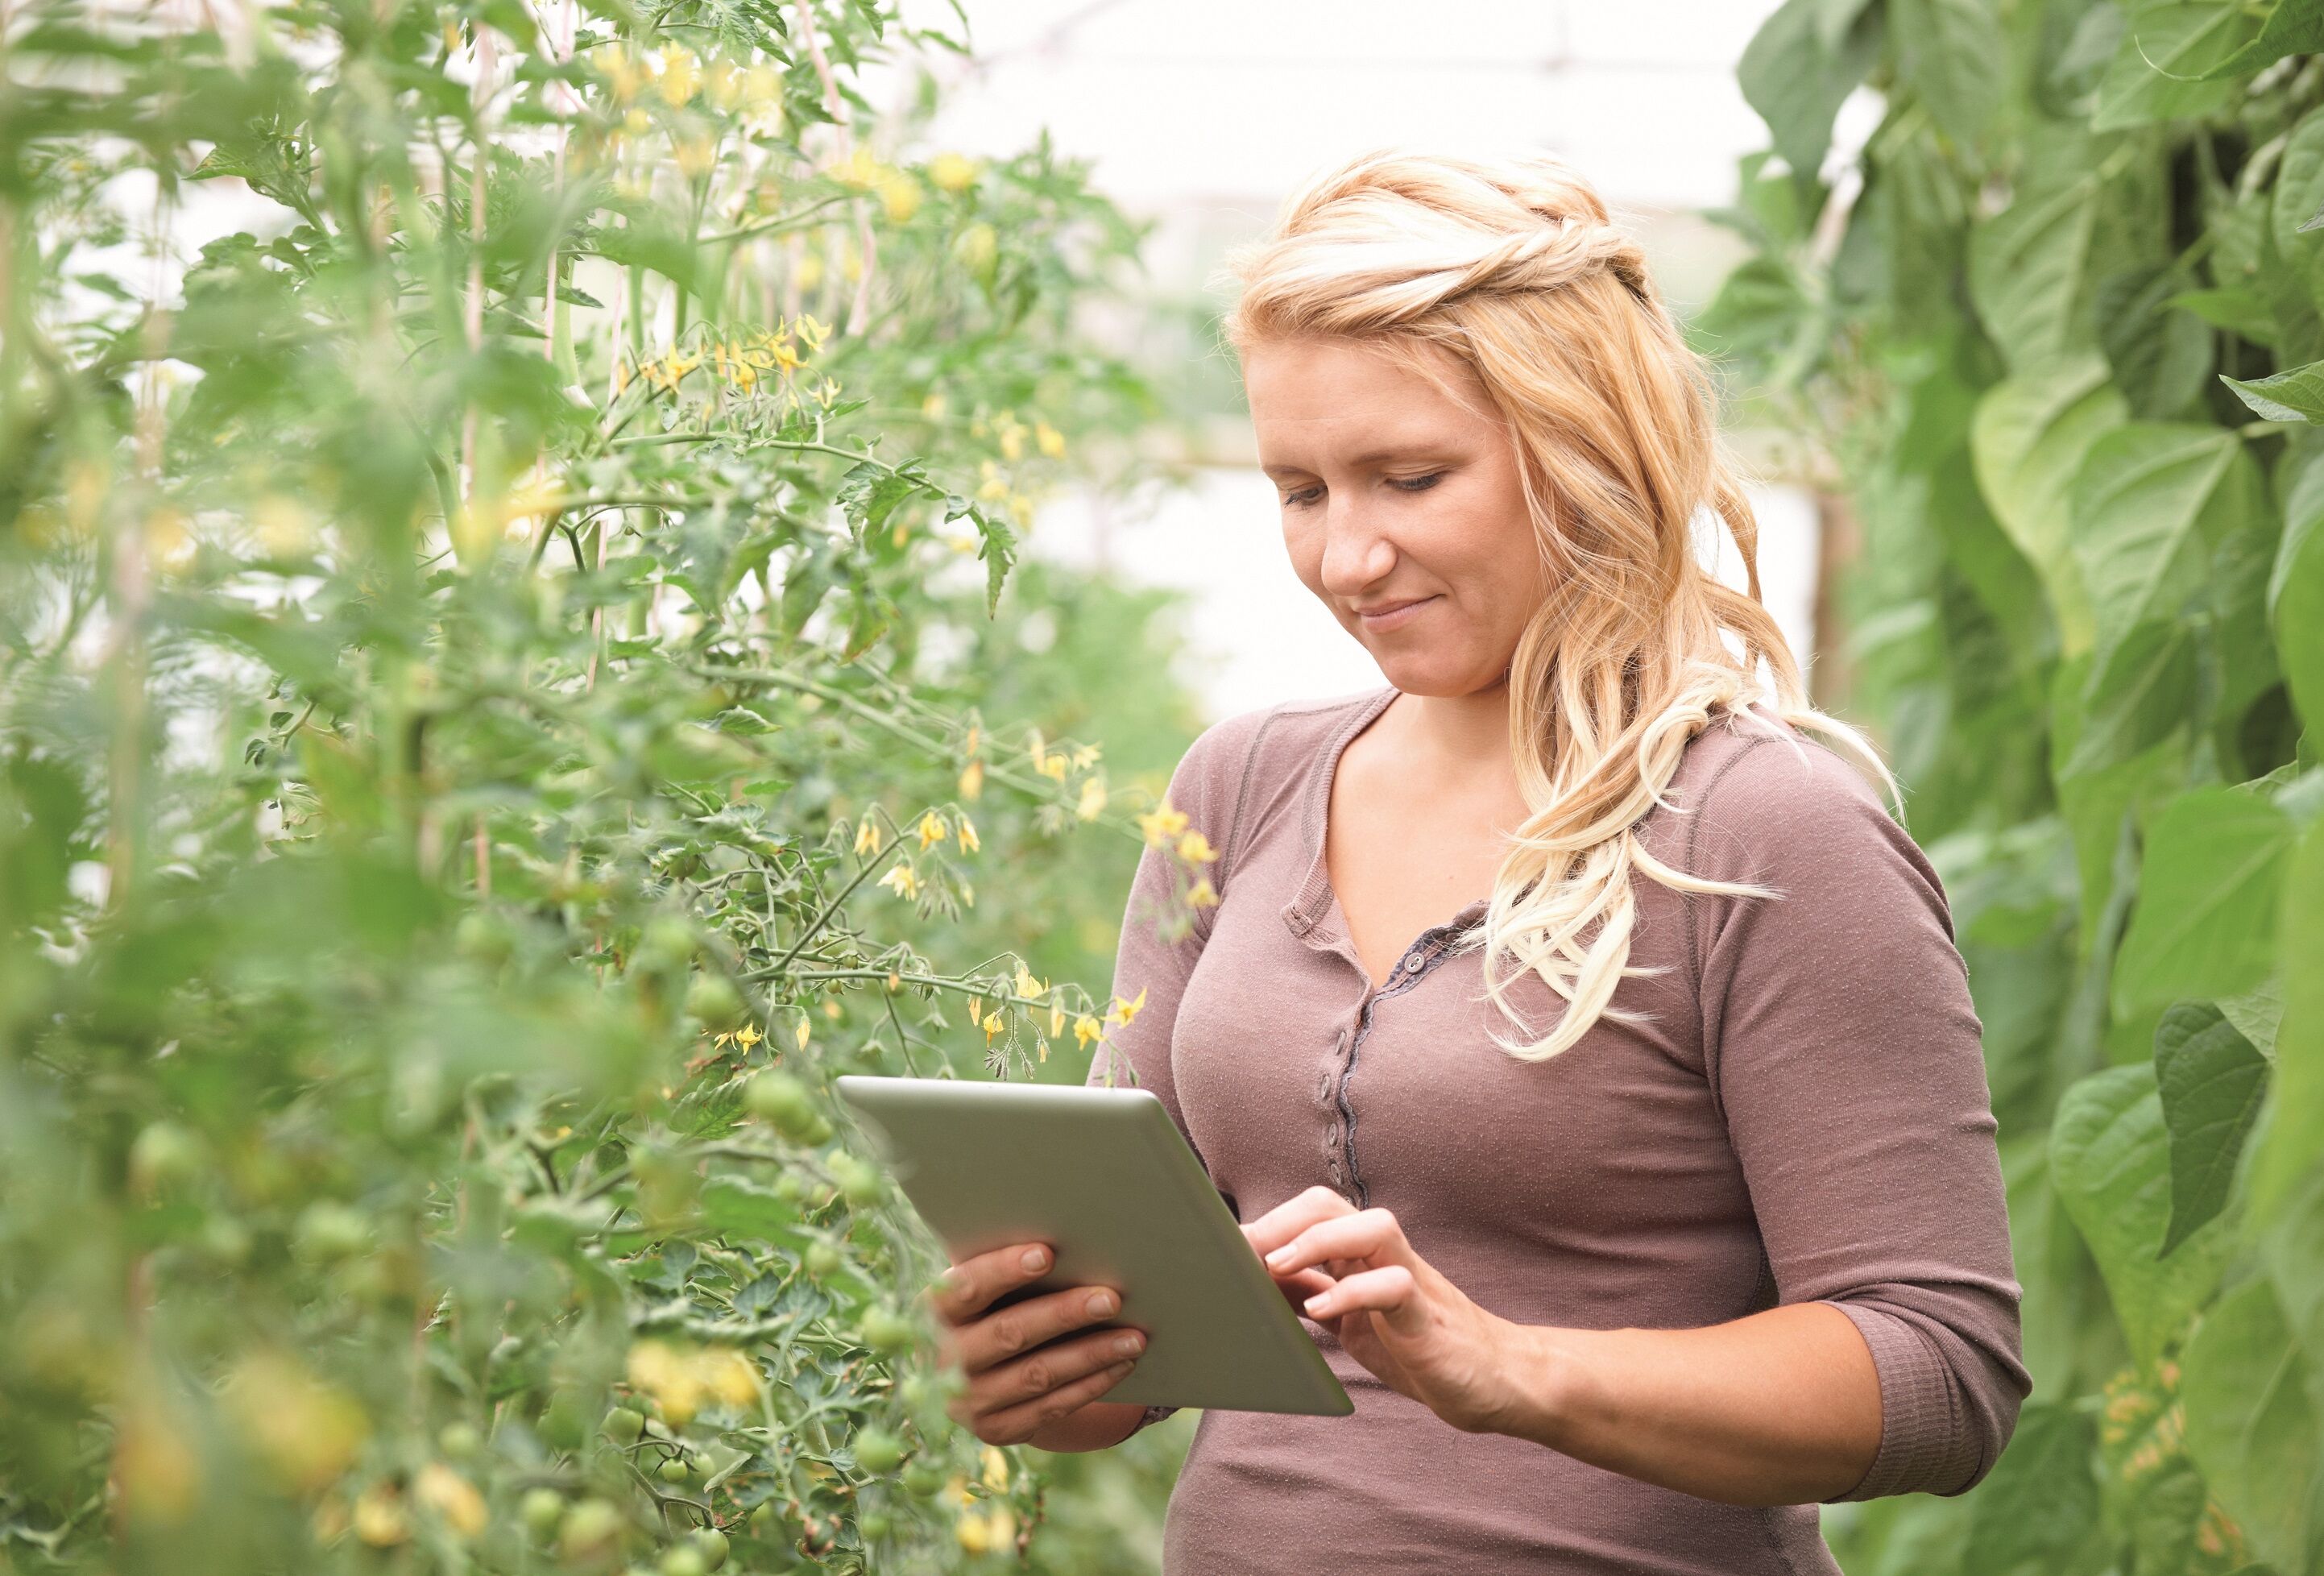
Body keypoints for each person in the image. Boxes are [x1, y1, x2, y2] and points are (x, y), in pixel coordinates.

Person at [927, 147, 2028, 1574]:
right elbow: (1146, 1346)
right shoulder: (1243, 786)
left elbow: (1939, 1373)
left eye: (1408, 477)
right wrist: (1041, 1365)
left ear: (1582, 447)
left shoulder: (1766, 829)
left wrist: (1511, 1367)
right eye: (1301, 490)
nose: (1346, 557)